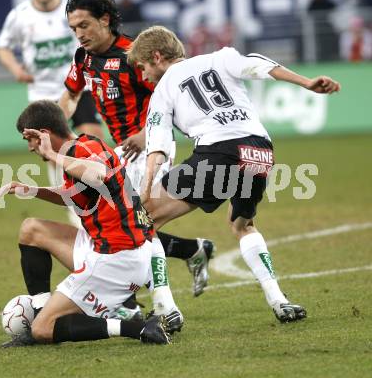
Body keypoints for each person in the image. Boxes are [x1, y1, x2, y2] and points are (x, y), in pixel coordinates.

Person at [127, 26, 341, 322]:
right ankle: (279, 301)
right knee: (242, 223)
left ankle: (165, 307)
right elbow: (258, 65)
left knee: (143, 219)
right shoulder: (220, 57)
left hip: (218, 151)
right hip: (260, 151)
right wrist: (306, 82)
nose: (143, 75)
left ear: (157, 56)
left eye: (142, 67)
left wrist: (145, 191)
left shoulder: (163, 90)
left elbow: (157, 147)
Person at [59, 0, 215, 315]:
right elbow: (71, 95)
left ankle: (163, 306)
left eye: (84, 25)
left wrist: (147, 134)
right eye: (74, 28)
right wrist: (59, 133)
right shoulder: (82, 57)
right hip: (120, 153)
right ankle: (190, 251)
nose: (79, 33)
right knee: (118, 227)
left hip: (151, 145)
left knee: (138, 224)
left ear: (105, 20)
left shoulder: (134, 56)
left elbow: (170, 99)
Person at [0, 100, 171, 347]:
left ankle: (139, 328)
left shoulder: (81, 149)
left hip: (117, 258)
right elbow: (73, 196)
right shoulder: (82, 146)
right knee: (31, 229)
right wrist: (31, 189)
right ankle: (41, 308)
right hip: (110, 247)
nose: (29, 148)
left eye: (30, 139)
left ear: (44, 134)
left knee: (43, 329)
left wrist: (51, 154)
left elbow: (97, 173)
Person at [0, 0, 103, 224]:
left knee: (93, 137)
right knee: (52, 146)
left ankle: (97, 189)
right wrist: (15, 69)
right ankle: (70, 198)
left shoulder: (73, 7)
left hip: (77, 88)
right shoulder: (20, 16)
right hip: (43, 95)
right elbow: (2, 48)